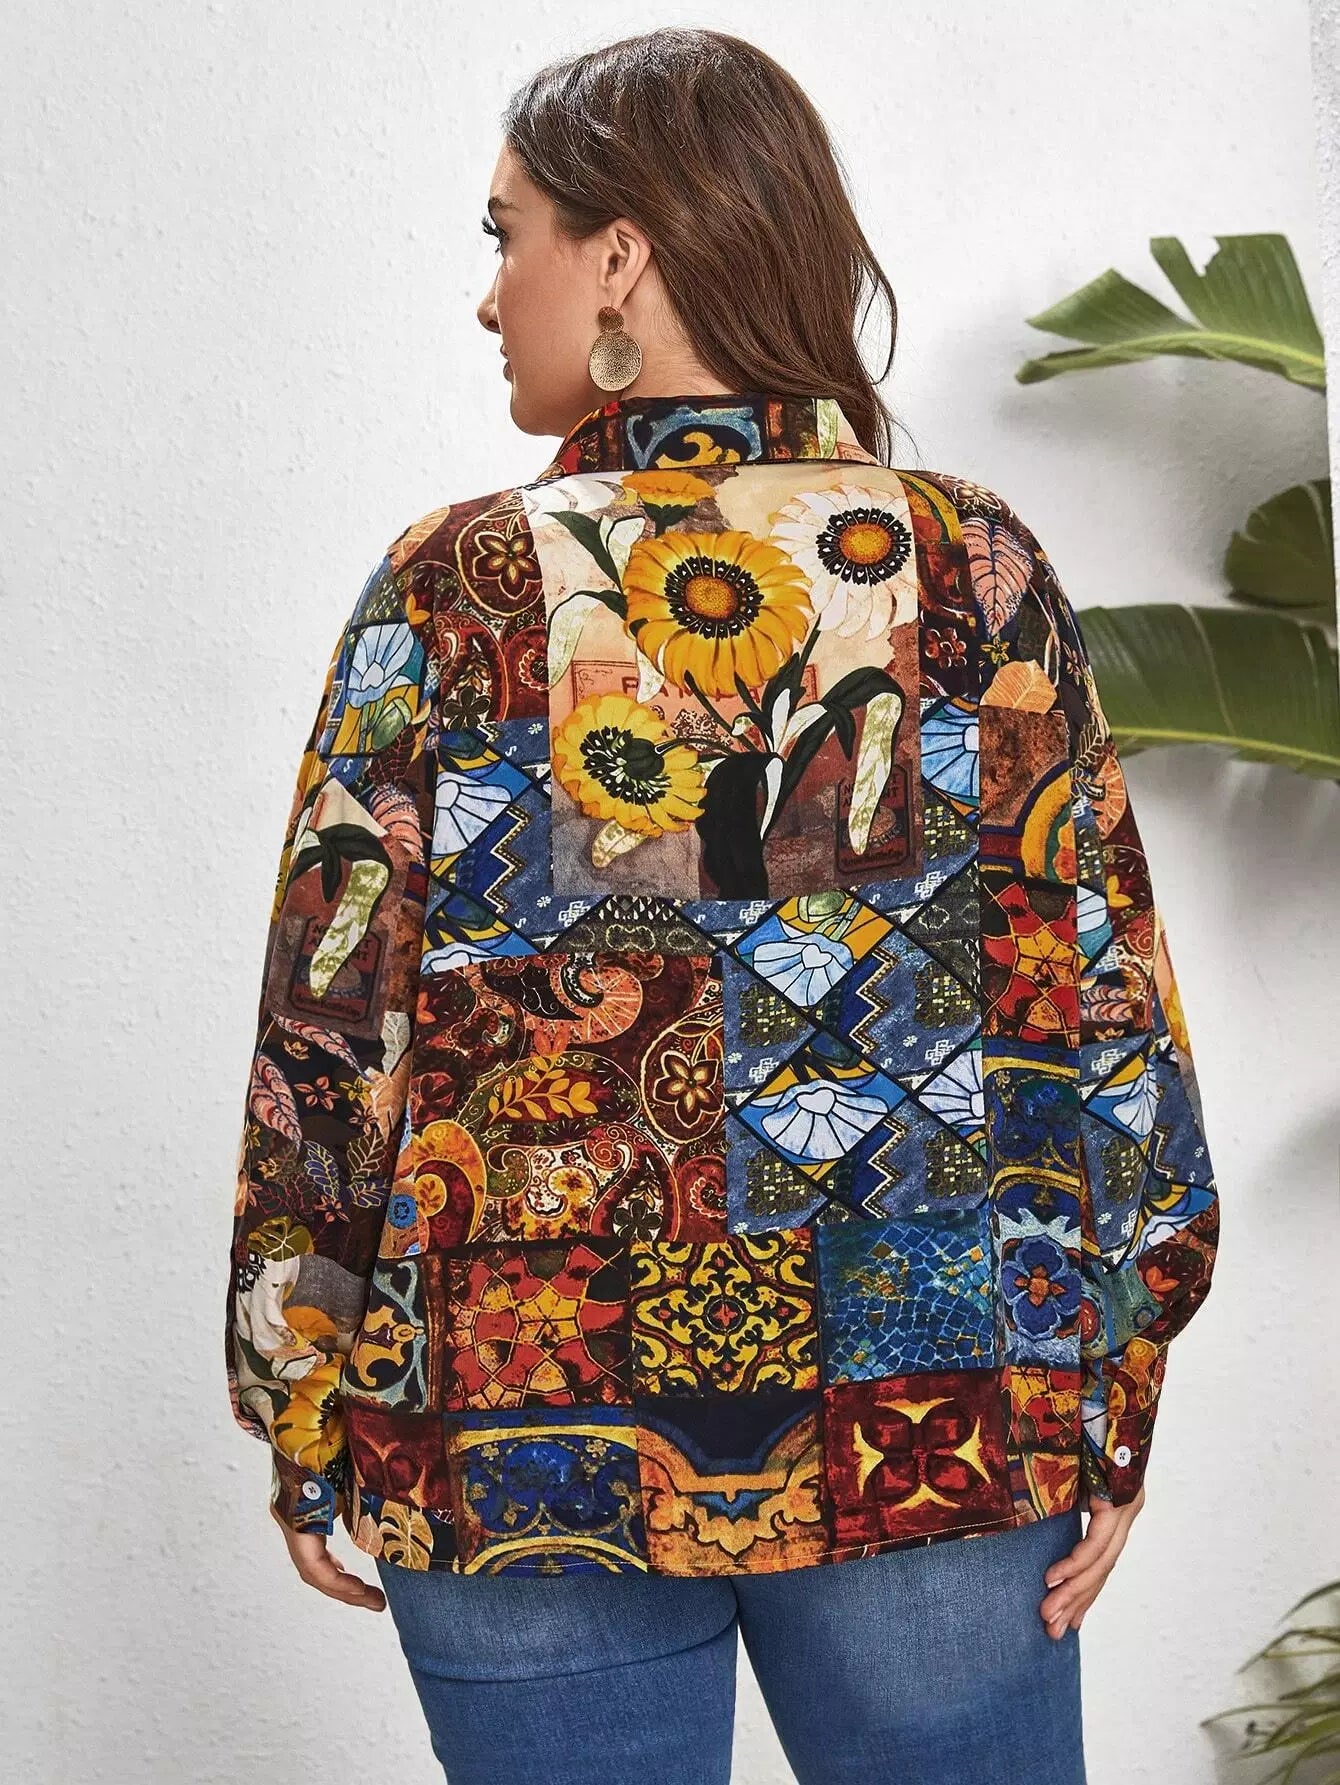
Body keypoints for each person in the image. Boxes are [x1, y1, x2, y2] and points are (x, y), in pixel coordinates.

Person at [224, 26, 1220, 1785]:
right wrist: (1116, 1383)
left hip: (521, 1436)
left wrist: (298, 1387)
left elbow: (331, 1031)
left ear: (619, 254)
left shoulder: (453, 588)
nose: (489, 295)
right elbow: (1101, 996)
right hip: (935, 1418)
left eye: (507, 234)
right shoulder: (971, 566)